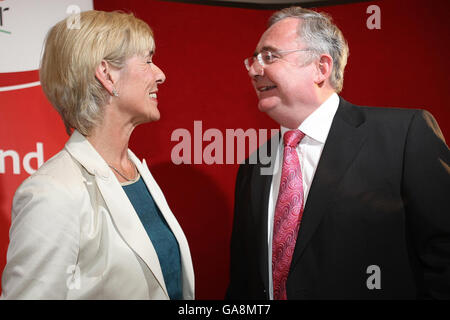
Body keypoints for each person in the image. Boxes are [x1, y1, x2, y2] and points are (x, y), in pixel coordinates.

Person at [226, 6, 450, 299]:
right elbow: (244, 281)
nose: (254, 70)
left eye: (269, 56)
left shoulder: (405, 135)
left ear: (321, 67)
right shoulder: (254, 165)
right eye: (253, 60)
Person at [1, 10, 194, 300]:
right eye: (148, 60)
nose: (160, 74)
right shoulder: (52, 192)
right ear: (106, 74)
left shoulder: (135, 171)